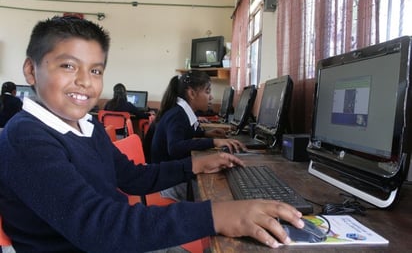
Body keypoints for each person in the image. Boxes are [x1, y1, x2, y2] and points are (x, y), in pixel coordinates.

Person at [0, 16, 303, 252]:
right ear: (31, 70)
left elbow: (132, 178)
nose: (85, 82)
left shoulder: (86, 126)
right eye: (68, 66)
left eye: (95, 71)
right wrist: (215, 215)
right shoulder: (25, 137)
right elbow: (96, 227)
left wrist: (193, 166)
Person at [150, 71, 247, 201]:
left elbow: (186, 133)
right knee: (218, 197)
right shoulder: (177, 116)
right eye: (207, 91)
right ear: (191, 93)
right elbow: (174, 147)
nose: (211, 97)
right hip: (168, 185)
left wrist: (205, 133)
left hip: (170, 176)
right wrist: (213, 142)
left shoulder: (181, 112)